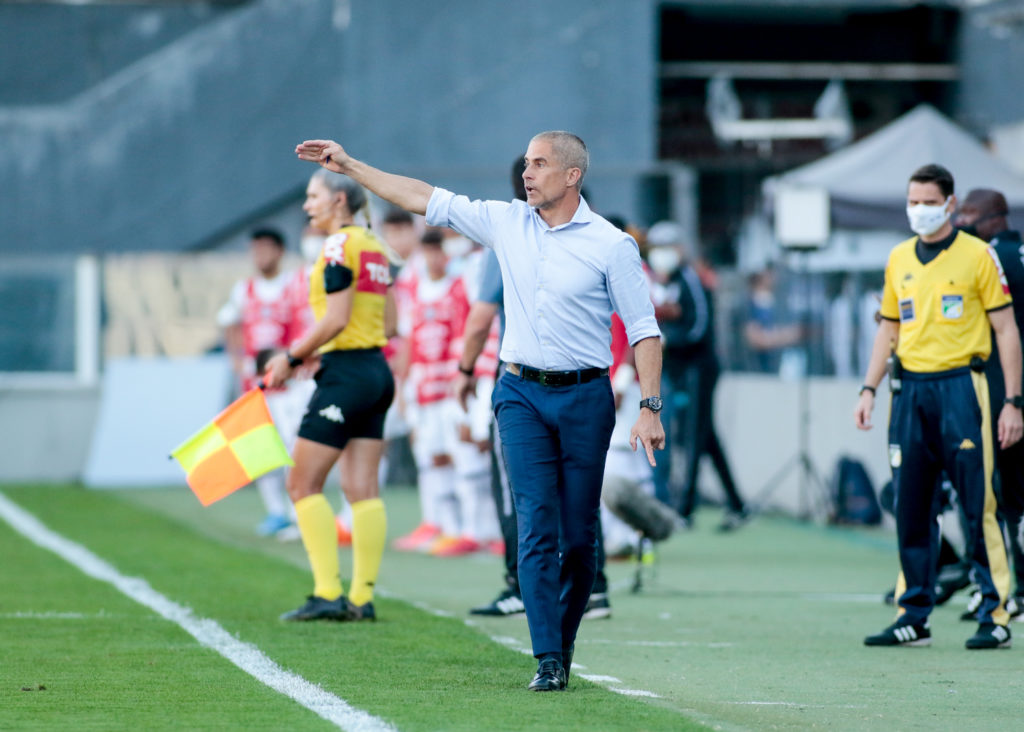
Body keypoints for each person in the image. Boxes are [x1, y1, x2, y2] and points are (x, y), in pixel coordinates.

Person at [296, 131, 664, 690]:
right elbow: (420, 196)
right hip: (518, 392)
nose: (527, 173)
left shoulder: (612, 245)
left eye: (540, 164)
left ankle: (561, 643)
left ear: (572, 175)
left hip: (586, 396)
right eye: (527, 164)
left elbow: (644, 331)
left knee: (580, 536)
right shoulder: (505, 221)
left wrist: (650, 406)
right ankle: (547, 658)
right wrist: (350, 166)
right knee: (534, 524)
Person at [855, 164, 1023, 649]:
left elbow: (1007, 330)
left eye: (928, 201)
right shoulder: (899, 258)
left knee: (979, 503)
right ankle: (914, 614)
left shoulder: (979, 257)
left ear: (950, 205)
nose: (919, 210)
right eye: (913, 201)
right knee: (911, 503)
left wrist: (1012, 402)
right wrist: (868, 389)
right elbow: (888, 328)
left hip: (963, 388)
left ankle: (995, 612)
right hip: (910, 392)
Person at [264, 169, 397, 623]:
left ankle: (326, 593)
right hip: (375, 371)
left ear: (339, 200)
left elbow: (336, 318)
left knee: (301, 483)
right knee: (362, 489)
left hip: (348, 374)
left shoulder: (339, 245)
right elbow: (391, 324)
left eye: (313, 196)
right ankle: (362, 598)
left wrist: (292, 356)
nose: (307, 205)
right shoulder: (375, 245)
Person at [647, 221, 748, 531]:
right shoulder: (669, 282)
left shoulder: (691, 279)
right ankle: (737, 504)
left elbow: (699, 326)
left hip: (699, 368)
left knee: (692, 434)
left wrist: (668, 339)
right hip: (681, 369)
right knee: (705, 437)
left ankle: (684, 509)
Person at [954, 188, 1024, 620]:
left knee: (997, 497)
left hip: (1002, 393)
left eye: (970, 214)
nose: (962, 222)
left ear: (994, 218)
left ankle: (1001, 588)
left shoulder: (988, 260)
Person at [217, 227, 305, 538]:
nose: (260, 256)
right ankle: (276, 512)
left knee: (294, 449)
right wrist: (237, 359)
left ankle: (299, 515)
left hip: (289, 384)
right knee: (261, 449)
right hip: (256, 386)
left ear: (279, 251)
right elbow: (228, 321)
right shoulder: (245, 290)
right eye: (255, 250)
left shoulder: (294, 285)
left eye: (266, 249)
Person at [743, 266, 802, 374]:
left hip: (781, 365)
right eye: (769, 272)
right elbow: (756, 339)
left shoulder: (776, 302)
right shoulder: (750, 305)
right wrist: (778, 337)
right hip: (758, 368)